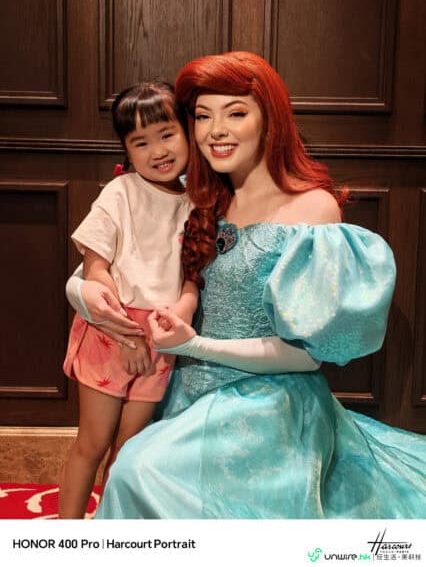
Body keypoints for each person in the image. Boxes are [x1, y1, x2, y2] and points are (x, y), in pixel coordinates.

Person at [70, 52, 426, 518]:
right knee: (126, 460)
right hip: (181, 386)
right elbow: (108, 268)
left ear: (269, 120)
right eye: (203, 116)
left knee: (139, 470)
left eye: (235, 113)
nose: (216, 130)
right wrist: (81, 292)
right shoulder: (199, 197)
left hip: (267, 401)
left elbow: (306, 356)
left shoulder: (313, 209)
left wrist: (195, 345)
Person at [59, 81, 197, 519]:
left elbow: (193, 276)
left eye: (166, 135)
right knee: (92, 442)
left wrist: (169, 322)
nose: (158, 150)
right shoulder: (120, 193)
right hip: (112, 331)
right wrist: (126, 336)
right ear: (127, 150)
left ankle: (110, 530)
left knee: (129, 450)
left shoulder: (199, 201)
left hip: (160, 338)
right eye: (141, 142)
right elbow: (95, 271)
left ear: (187, 132)